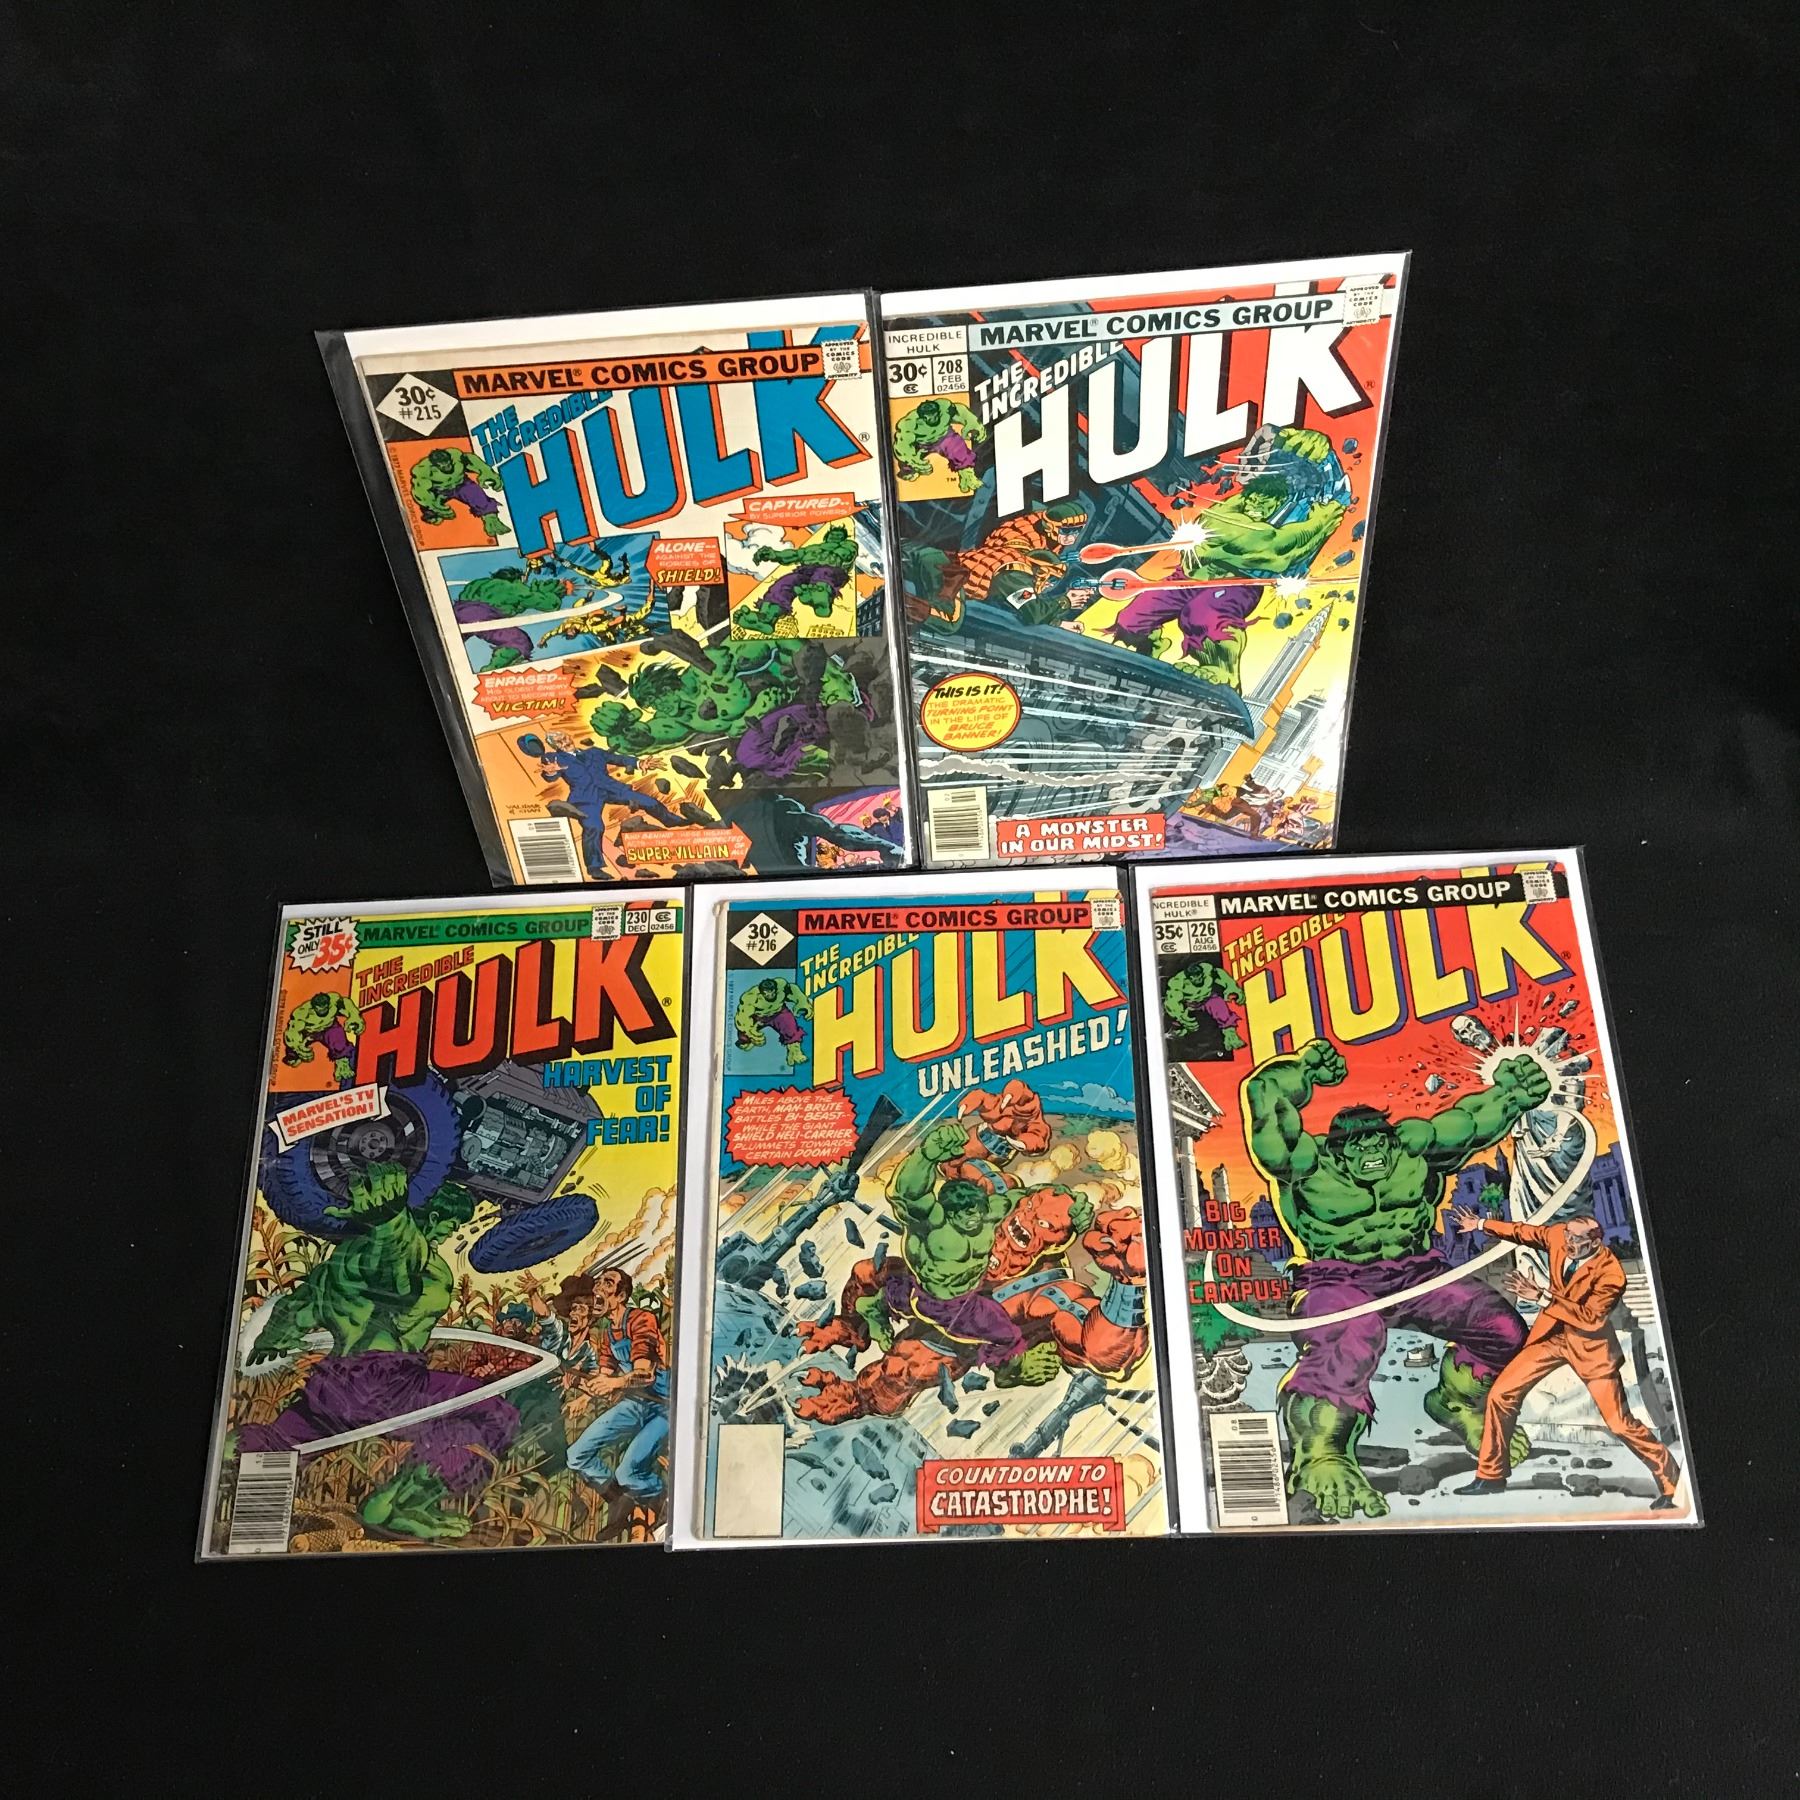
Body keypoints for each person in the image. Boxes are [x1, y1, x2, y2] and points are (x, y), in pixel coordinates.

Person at [1450, 1209, 1681, 1508]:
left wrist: (1542, 1297)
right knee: (1501, 1394)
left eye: (1576, 1240)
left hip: (1589, 1347)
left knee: (1619, 1423)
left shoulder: (1611, 1273)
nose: (1568, 1242)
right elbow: (1523, 1232)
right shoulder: (1559, 1236)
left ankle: (1671, 1479)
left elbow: (1591, 1319)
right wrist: (1480, 1224)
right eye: (1568, 1236)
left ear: (1595, 1243)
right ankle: (1491, 1475)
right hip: (1551, 1337)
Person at [565, 1268, 669, 1538]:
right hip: (635, 1403)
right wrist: (586, 1394)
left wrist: (614, 1383)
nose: (598, 1287)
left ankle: (662, 1499)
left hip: (665, 1407)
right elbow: (605, 1376)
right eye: (598, 1282)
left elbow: (644, 1374)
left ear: (621, 1296)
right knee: (577, 1455)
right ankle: (621, 1503)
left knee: (628, 1473)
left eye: (607, 1283)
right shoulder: (608, 1334)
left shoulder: (641, 1320)